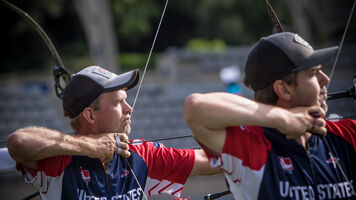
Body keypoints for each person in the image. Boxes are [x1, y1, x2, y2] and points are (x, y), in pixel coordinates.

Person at [184, 32, 356, 200]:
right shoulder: (253, 150)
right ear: (283, 90)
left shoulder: (346, 135)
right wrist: (286, 119)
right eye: (313, 73)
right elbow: (195, 107)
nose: (325, 79)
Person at [7, 66, 220, 200]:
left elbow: (209, 160)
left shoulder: (139, 154)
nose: (129, 108)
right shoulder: (59, 162)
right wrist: (92, 146)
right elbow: (18, 142)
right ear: (90, 115)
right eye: (119, 102)